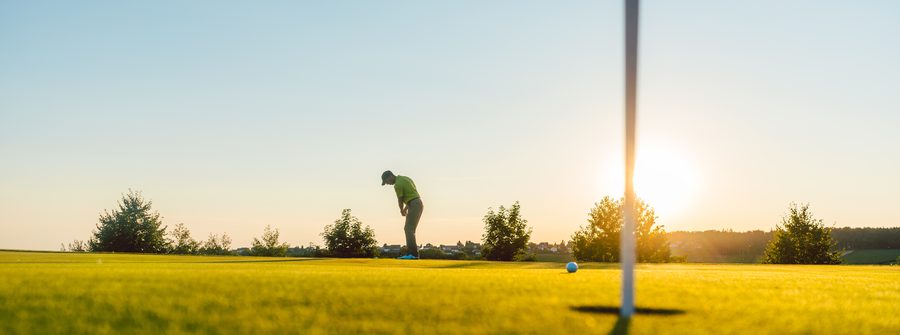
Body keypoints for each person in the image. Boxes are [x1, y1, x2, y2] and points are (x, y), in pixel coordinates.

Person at [381, 170, 423, 260]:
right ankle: (413, 253)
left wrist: (401, 210)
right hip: (417, 203)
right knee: (410, 229)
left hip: (414, 204)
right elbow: (412, 195)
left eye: (386, 181)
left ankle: (413, 254)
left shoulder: (397, 185)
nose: (387, 184)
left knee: (408, 229)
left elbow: (400, 199)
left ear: (390, 177)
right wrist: (405, 209)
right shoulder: (406, 178)